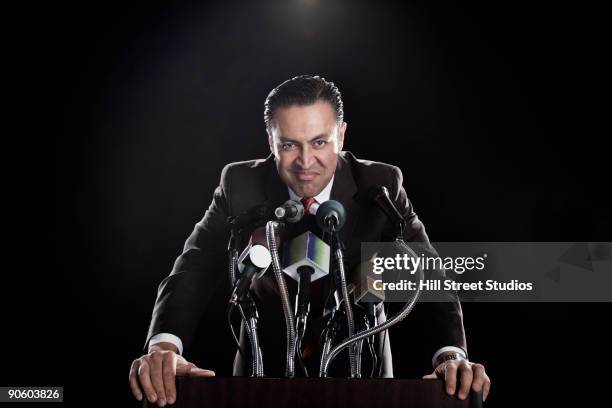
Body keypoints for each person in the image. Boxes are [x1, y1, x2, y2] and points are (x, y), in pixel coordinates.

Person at [129, 75, 491, 406]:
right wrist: (164, 345)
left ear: (342, 136)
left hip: (365, 376)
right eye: (288, 145)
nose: (305, 162)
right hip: (261, 378)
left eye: (320, 142)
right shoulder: (239, 184)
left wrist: (450, 355)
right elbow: (193, 268)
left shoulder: (381, 185)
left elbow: (429, 273)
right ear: (270, 139)